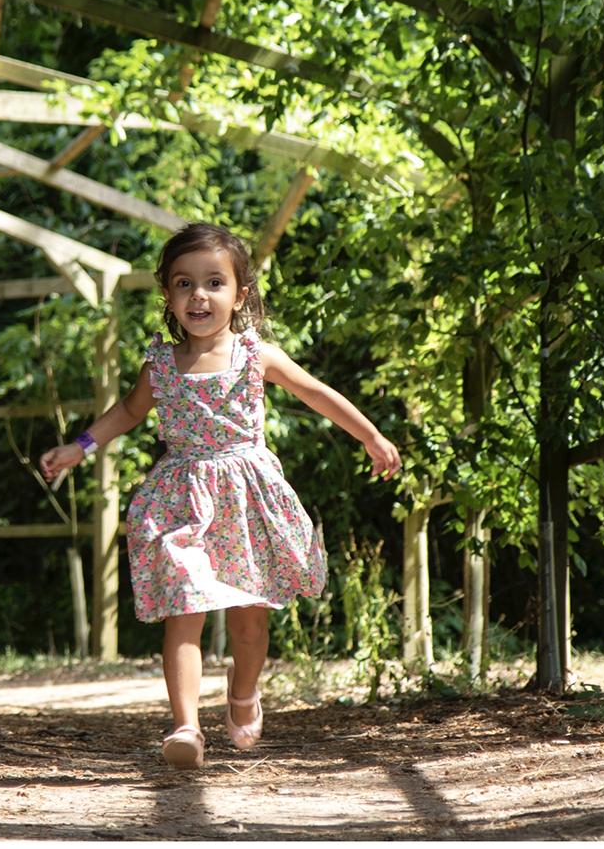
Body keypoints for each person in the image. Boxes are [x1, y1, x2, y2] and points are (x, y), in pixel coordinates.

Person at [40, 223, 402, 769]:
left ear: (241, 295)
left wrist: (371, 435)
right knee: (182, 610)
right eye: (184, 284)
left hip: (245, 499)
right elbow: (131, 412)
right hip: (180, 499)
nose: (199, 295)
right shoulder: (160, 364)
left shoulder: (256, 355)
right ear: (168, 295)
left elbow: (315, 393)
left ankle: (242, 692)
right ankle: (185, 727)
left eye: (214, 282)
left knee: (248, 624)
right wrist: (81, 446)